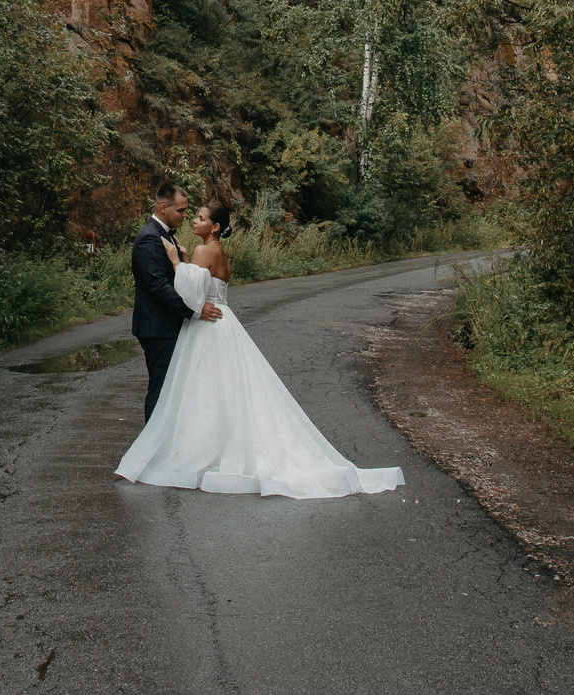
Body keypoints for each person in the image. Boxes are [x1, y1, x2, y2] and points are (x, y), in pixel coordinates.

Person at [116, 199, 404, 499]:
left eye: (200, 218)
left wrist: (176, 263)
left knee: (202, 390)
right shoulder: (221, 252)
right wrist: (187, 263)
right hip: (226, 322)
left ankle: (198, 449)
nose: (193, 221)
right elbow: (209, 282)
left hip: (208, 325)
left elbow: (191, 294)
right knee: (227, 390)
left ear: (214, 226)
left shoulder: (203, 250)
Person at [130, 184, 220, 420]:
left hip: (168, 325)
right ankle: (152, 450)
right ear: (163, 207)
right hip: (157, 328)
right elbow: (159, 288)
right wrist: (196, 311)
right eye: (180, 210)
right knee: (161, 389)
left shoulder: (165, 235)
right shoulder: (148, 239)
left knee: (173, 389)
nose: (184, 216)